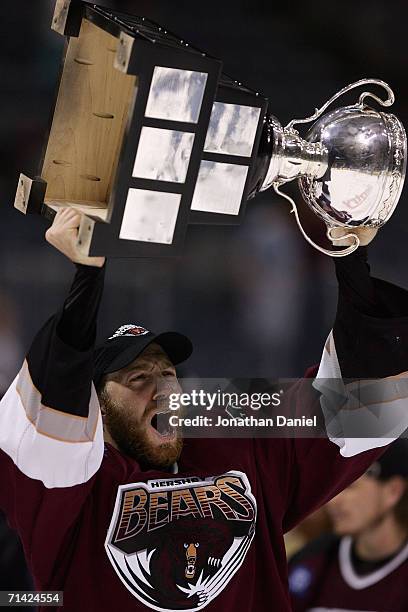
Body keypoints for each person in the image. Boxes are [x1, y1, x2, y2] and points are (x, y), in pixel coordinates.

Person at [0, 208, 407, 612]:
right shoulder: (71, 494)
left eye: (168, 373)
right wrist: (87, 275)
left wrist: (351, 258)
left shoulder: (238, 450)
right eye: (137, 378)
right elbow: (48, 432)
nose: (162, 388)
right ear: (95, 409)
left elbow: (359, 411)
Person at [288, 439, 408, 611]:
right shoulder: (310, 560)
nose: (332, 501)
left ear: (393, 491)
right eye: (335, 487)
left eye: (349, 486)